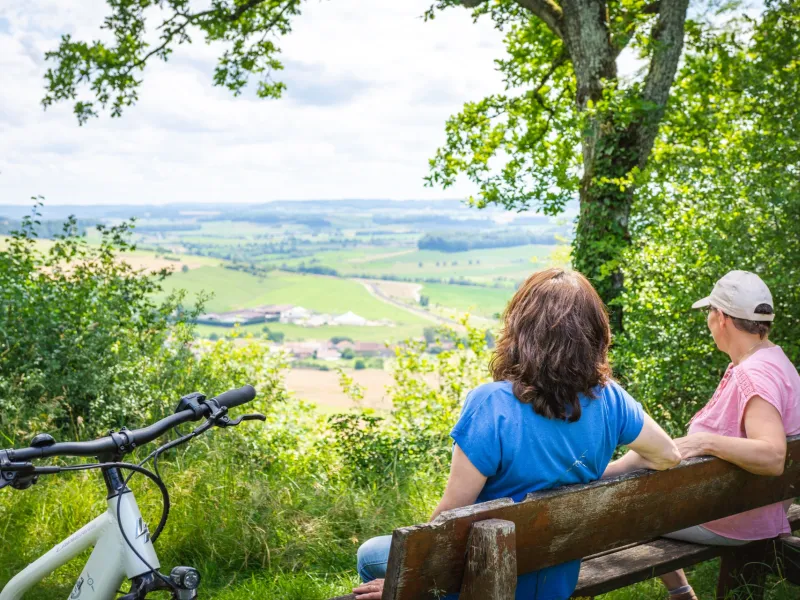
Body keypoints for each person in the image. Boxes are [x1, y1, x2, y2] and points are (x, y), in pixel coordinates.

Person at [352, 268, 680, 600]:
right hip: (555, 580)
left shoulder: (491, 404)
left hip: (482, 578)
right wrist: (600, 475)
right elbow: (668, 455)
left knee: (370, 554)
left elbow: (448, 521)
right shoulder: (611, 399)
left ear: (521, 330)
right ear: (595, 334)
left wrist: (407, 587)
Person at [604, 270, 800, 600]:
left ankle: (681, 593)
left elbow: (773, 455)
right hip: (757, 506)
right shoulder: (773, 360)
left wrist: (702, 441)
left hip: (737, 518)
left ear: (721, 318)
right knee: (646, 464)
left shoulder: (754, 375)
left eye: (710, 312)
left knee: (620, 503)